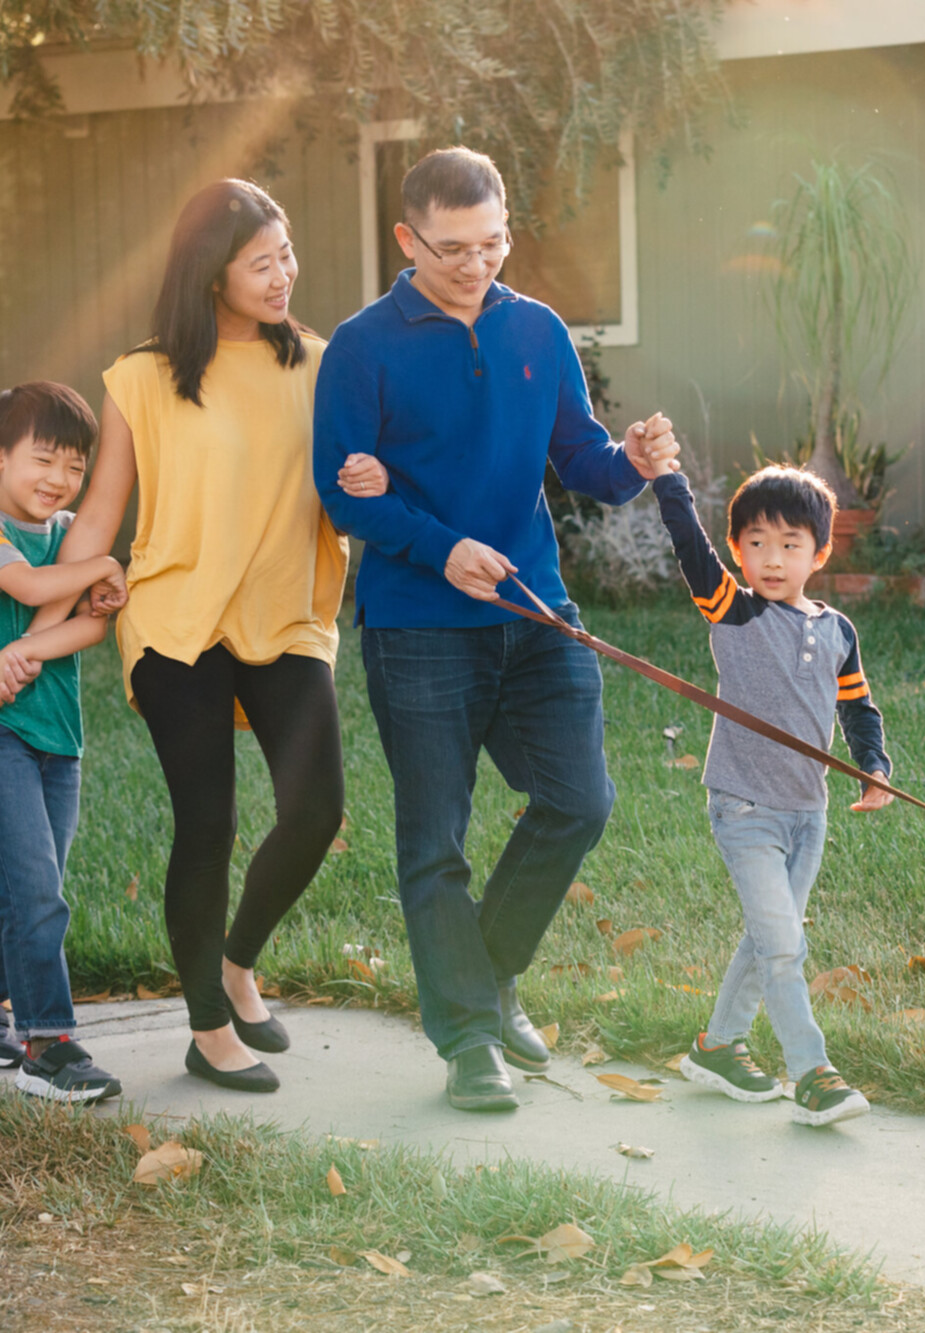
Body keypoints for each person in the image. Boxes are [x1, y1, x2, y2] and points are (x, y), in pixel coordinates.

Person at [312, 146, 679, 1112]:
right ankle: (471, 1037)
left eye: (493, 243)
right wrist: (443, 550)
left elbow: (584, 463)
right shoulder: (361, 347)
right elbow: (341, 493)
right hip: (419, 625)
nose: (477, 264)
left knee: (579, 800)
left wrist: (633, 461)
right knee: (435, 838)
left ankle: (482, 972)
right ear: (407, 239)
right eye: (454, 249)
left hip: (535, 608)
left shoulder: (538, 329)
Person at [25, 179, 361, 1093]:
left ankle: (236, 962)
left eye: (286, 255)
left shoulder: (319, 364)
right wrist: (36, 636)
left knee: (316, 811)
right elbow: (100, 519)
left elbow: (353, 487)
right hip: (177, 622)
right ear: (212, 275)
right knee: (208, 821)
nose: (284, 275)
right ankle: (208, 1029)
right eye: (261, 264)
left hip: (286, 615)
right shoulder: (142, 377)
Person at [651, 462, 895, 1127]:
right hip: (744, 806)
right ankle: (812, 1073)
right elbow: (690, 547)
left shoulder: (838, 631)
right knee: (784, 944)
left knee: (770, 938)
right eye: (756, 543)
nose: (773, 559)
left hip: (808, 814)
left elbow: (858, 708)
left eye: (790, 544)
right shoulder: (737, 611)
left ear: (820, 553)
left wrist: (873, 766)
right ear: (737, 551)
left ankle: (717, 1047)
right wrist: (668, 480)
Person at [0, 381, 125, 1104]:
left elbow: (92, 625)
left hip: (59, 737)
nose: (59, 479)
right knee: (38, 890)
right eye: (43, 460)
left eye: (75, 466)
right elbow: (28, 586)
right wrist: (101, 567)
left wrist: (23, 653)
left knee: (31, 890)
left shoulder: (70, 532)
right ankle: (48, 1044)